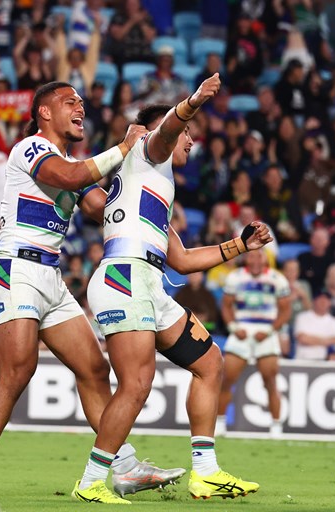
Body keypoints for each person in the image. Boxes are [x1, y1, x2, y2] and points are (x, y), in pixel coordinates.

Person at [0, 82, 181, 501]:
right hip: (16, 269)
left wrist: (144, 181)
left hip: (50, 277)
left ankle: (125, 466)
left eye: (81, 102)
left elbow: (102, 208)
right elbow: (68, 177)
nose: (80, 107)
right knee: (18, 370)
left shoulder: (73, 164)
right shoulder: (31, 149)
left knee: (93, 369)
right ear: (44, 112)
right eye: (69, 102)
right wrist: (122, 147)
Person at [76, 74, 271, 503]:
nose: (191, 141)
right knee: (136, 384)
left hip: (147, 282)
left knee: (210, 362)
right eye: (188, 134)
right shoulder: (148, 153)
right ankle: (90, 482)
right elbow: (165, 131)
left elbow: (180, 260)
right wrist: (194, 101)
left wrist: (241, 245)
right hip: (125, 277)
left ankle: (206, 472)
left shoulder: (150, 185)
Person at [216, 249, 291, 437]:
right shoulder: (235, 277)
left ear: (266, 259)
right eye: (252, 256)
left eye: (259, 256)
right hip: (241, 329)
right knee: (226, 379)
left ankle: (276, 426)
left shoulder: (277, 279)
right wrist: (233, 328)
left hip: (266, 331)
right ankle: (220, 423)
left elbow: (286, 311)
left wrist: (270, 331)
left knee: (270, 381)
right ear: (246, 258)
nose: (256, 260)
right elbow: (226, 305)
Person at [292, 292, 335, 361]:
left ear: (330, 303)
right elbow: (302, 339)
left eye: (326, 300)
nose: (323, 302)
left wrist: (312, 339)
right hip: (304, 359)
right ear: (314, 301)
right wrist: (327, 340)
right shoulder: (302, 317)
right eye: (320, 300)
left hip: (326, 360)